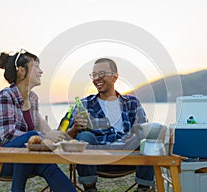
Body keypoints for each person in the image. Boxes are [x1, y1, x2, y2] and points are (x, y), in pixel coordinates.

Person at [0, 49, 76, 192]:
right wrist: (42, 137)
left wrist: (70, 131)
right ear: (22, 71)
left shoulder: (33, 99)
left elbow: (48, 133)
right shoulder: (5, 97)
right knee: (29, 140)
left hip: (21, 155)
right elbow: (9, 136)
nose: (41, 71)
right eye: (36, 66)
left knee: (48, 166)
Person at [66, 58, 155, 192]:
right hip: (96, 160)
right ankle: (90, 188)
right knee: (84, 136)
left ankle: (144, 188)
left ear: (115, 77)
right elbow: (64, 137)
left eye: (101, 74)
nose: (97, 78)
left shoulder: (131, 103)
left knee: (145, 136)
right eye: (94, 75)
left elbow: (143, 130)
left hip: (128, 157)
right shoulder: (85, 104)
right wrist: (74, 129)